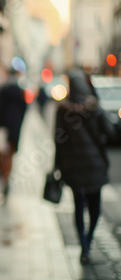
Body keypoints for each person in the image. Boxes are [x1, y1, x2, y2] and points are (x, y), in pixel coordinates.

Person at [54, 67, 116, 265]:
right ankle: (89, 239)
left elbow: (58, 140)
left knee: (78, 207)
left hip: (72, 167)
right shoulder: (95, 109)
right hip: (94, 166)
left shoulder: (63, 110)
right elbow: (111, 132)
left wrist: (56, 166)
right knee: (95, 207)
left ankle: (84, 246)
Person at [0, 70, 28, 201]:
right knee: (10, 155)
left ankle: (3, 177)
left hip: (4, 128)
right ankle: (6, 177)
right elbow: (25, 110)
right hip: (15, 129)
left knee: (2, 154)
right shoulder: (21, 92)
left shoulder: (3, 91)